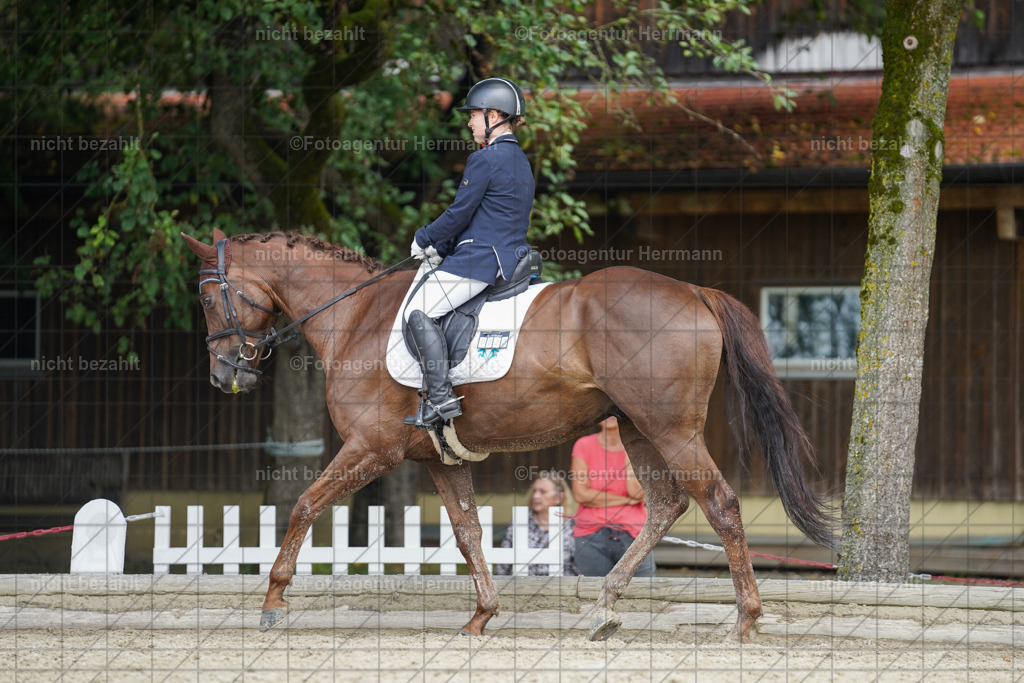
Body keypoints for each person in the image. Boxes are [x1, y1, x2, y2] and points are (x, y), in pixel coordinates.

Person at [404, 77, 534, 428]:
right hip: (506, 257)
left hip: (480, 261)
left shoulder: (485, 159)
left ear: (494, 115)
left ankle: (440, 398)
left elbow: (459, 213)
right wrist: (442, 247)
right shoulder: (520, 160)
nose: (469, 122)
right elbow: (483, 218)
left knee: (418, 311)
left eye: (474, 114)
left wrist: (424, 238)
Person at [570, 416, 655, 577]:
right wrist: (627, 501)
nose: (609, 415)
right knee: (594, 591)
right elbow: (581, 494)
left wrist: (629, 448)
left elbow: (636, 493)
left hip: (634, 534)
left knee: (642, 590)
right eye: (605, 409)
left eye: (615, 409)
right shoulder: (583, 445)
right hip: (591, 534)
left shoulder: (639, 446)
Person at [494, 472, 579, 576]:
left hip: (564, 585)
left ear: (559, 497)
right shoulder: (521, 523)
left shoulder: (572, 526)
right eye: (534, 491)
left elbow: (580, 566)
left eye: (543, 492)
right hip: (523, 584)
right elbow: (503, 563)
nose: (535, 496)